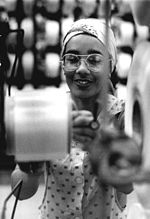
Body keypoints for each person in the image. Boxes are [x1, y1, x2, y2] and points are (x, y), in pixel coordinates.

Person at [37, 18, 133, 219]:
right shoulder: (49, 112)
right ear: (63, 65)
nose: (81, 69)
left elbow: (128, 185)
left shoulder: (123, 116)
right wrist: (27, 167)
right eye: (72, 59)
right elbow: (24, 188)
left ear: (110, 66)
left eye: (94, 60)